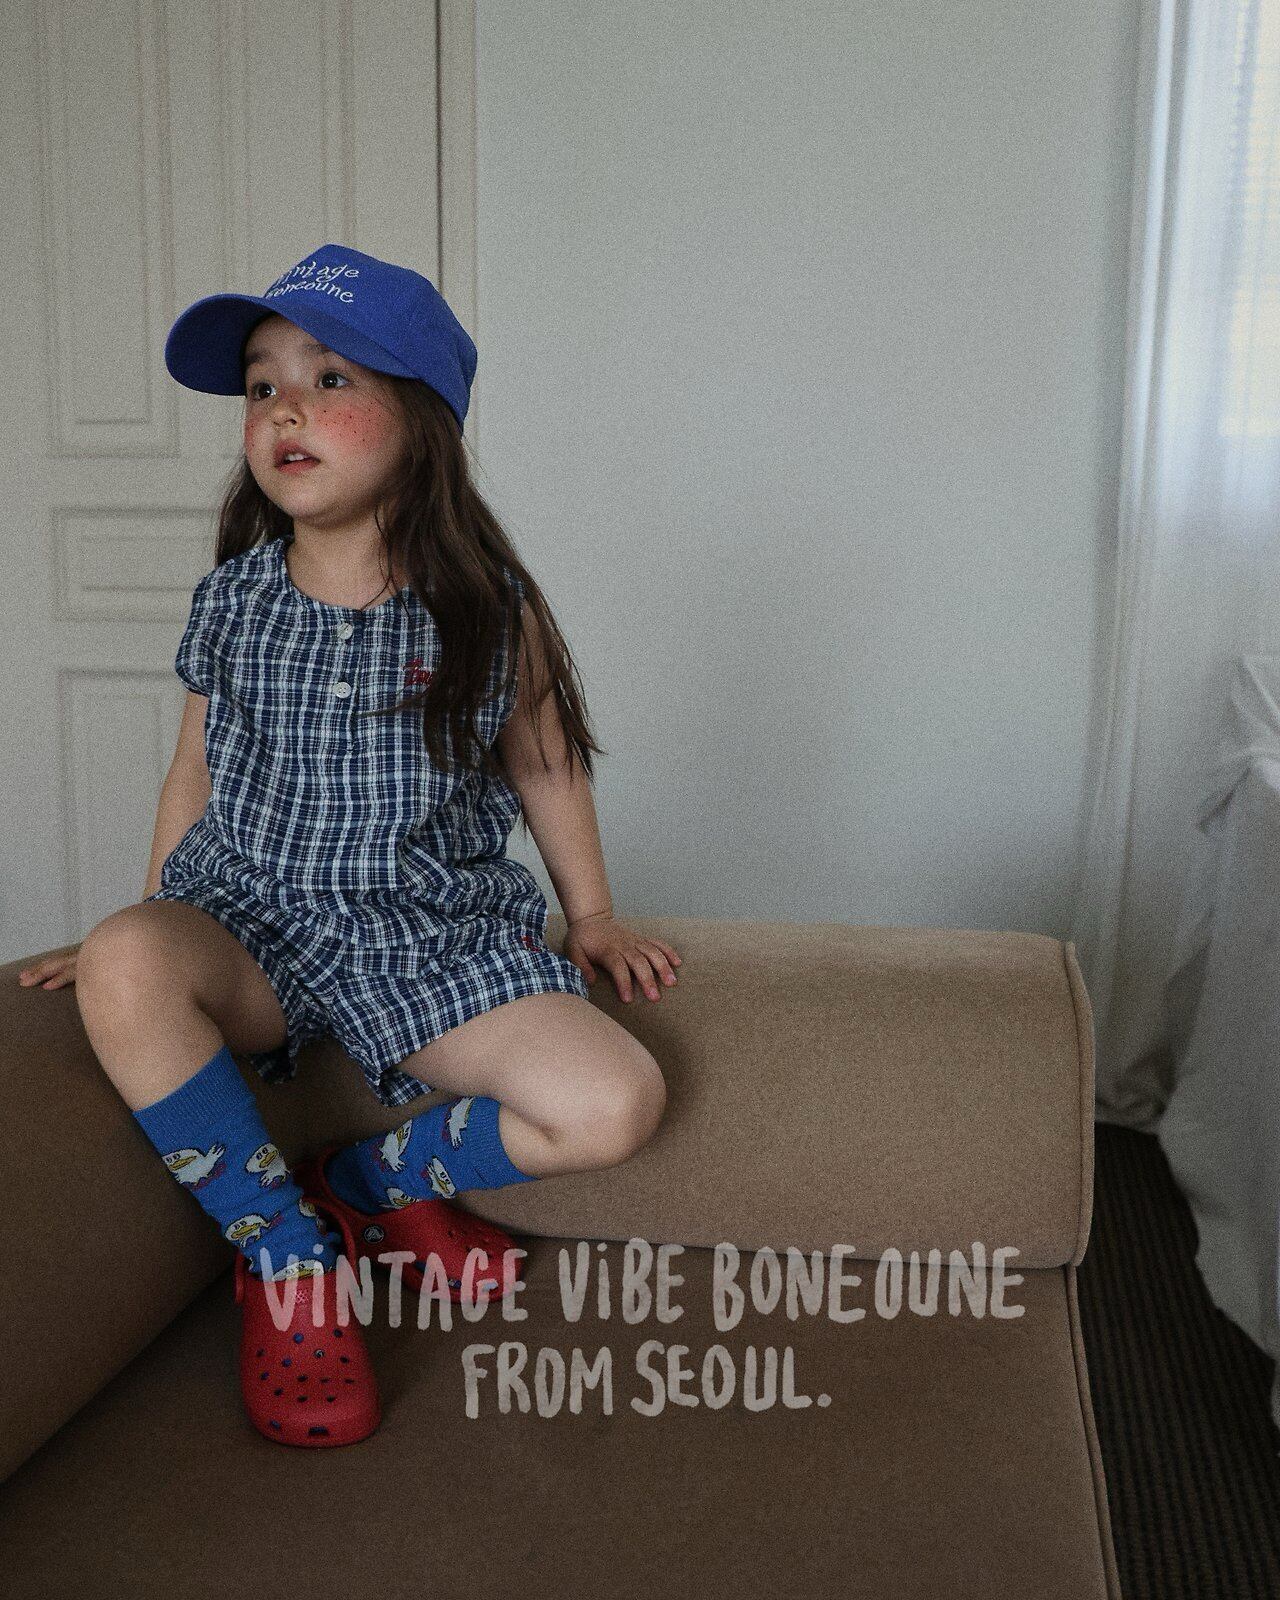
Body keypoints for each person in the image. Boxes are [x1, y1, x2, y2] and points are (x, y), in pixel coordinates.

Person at [16, 244, 680, 1449]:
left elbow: (545, 764)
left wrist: (590, 916)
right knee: (123, 952)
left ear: (420, 422)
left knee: (612, 1100)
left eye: (328, 379)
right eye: (261, 386)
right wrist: (146, 927)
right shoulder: (233, 600)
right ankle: (286, 1254)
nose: (285, 409)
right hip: (252, 932)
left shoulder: (491, 608)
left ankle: (367, 1186)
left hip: (424, 945)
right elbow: (192, 773)